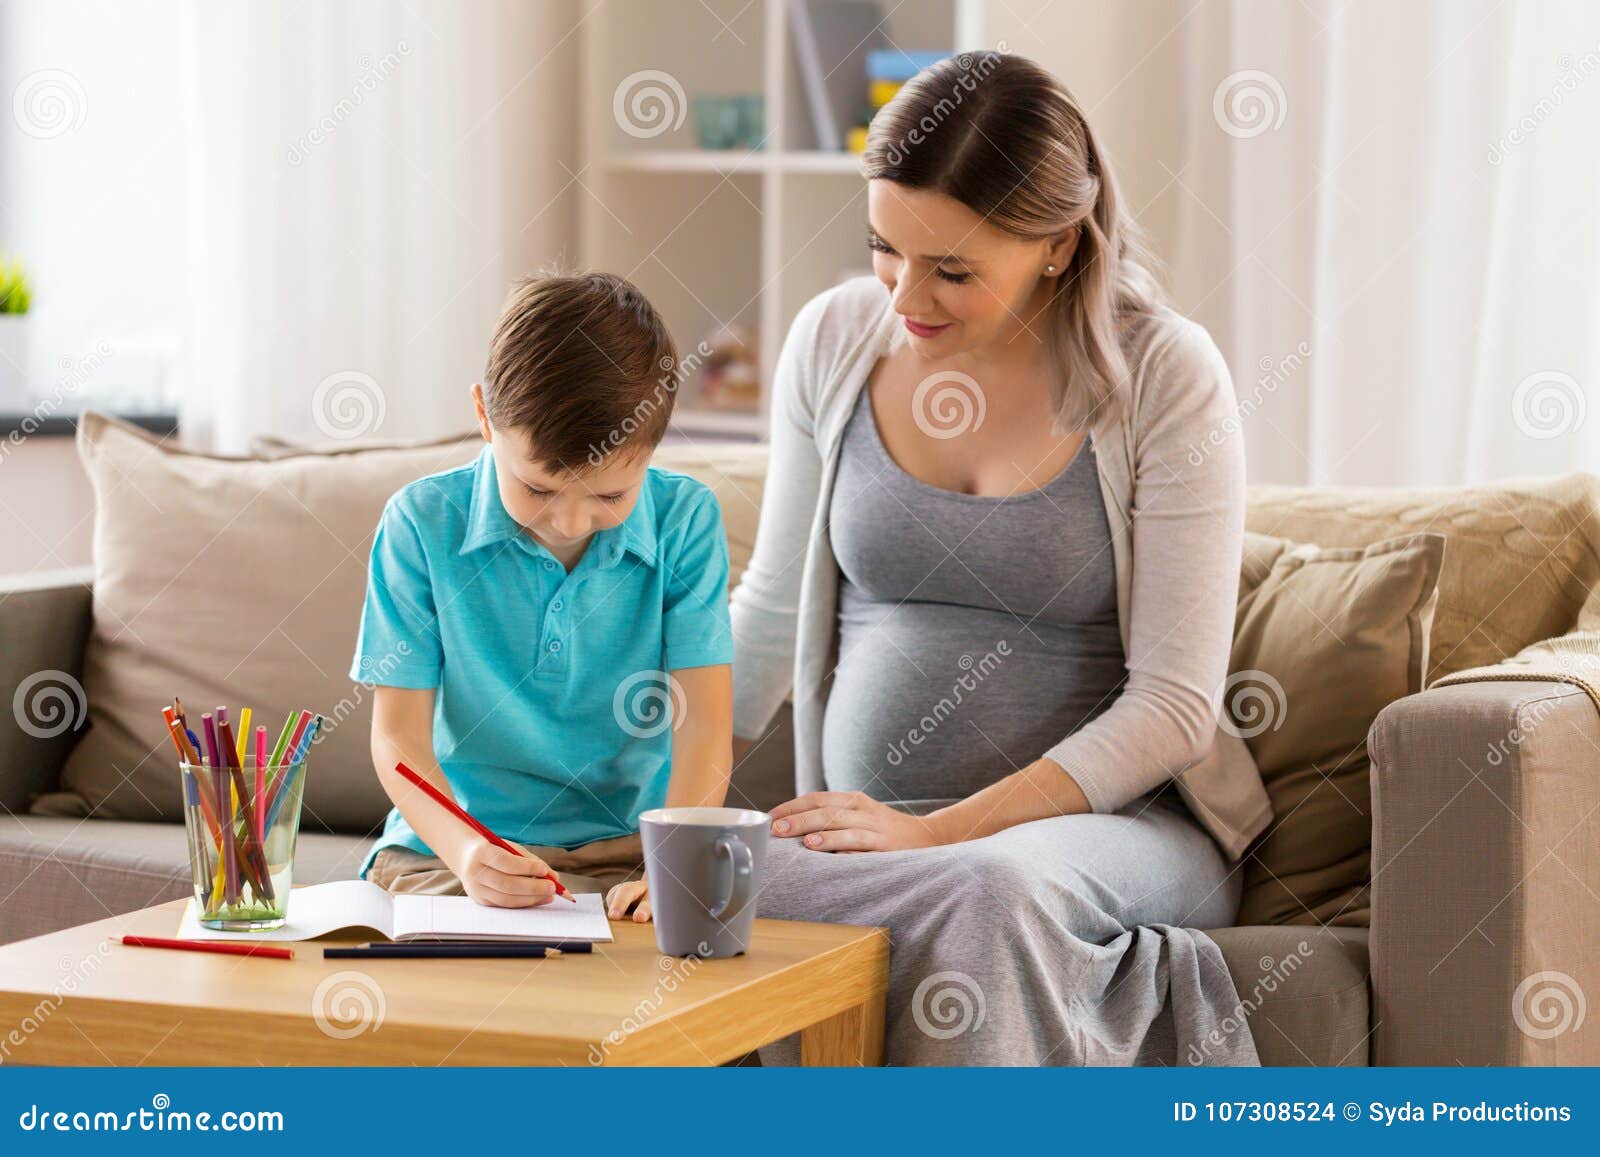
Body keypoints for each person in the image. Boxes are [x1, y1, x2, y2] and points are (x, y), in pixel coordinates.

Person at [730, 53, 1270, 1065]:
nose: (904, 296)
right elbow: (762, 620)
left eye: (953, 269)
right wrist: (626, 805)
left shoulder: (1163, 373)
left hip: (1125, 832)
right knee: (714, 880)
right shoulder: (834, 340)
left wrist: (941, 834)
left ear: (1058, 245)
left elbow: (1172, 708)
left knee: (987, 889)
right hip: (875, 835)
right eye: (885, 247)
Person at [350, 270, 733, 923]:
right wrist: (469, 851)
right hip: (447, 855)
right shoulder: (419, 523)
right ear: (483, 416)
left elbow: (704, 726)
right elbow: (397, 735)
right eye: (536, 489)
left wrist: (671, 857)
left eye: (610, 496)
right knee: (452, 974)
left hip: (631, 855)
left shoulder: (686, 520)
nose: (571, 521)